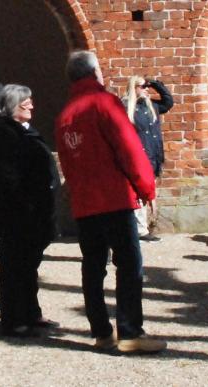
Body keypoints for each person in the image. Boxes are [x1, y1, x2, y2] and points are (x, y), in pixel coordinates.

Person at [55, 50, 167, 353]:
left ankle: (101, 331)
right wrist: (147, 190)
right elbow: (129, 149)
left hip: (85, 203)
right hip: (114, 198)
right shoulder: (104, 103)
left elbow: (67, 162)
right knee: (129, 265)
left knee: (93, 267)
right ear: (94, 73)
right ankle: (130, 332)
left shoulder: (65, 114)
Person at [0, 84, 60, 337]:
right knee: (14, 265)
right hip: (17, 210)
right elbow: (11, 176)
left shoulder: (23, 131)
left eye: (30, 101)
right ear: (11, 106)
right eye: (24, 103)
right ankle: (14, 318)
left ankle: (31, 313)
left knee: (28, 265)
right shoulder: (3, 134)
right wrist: (28, 202)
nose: (31, 106)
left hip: (32, 208)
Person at [122, 75, 173, 242]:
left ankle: (143, 227)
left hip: (153, 155)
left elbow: (168, 102)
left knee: (148, 192)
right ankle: (140, 230)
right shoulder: (125, 107)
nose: (145, 89)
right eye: (142, 86)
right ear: (133, 88)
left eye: (146, 86)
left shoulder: (151, 106)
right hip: (138, 157)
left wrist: (155, 84)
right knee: (138, 193)